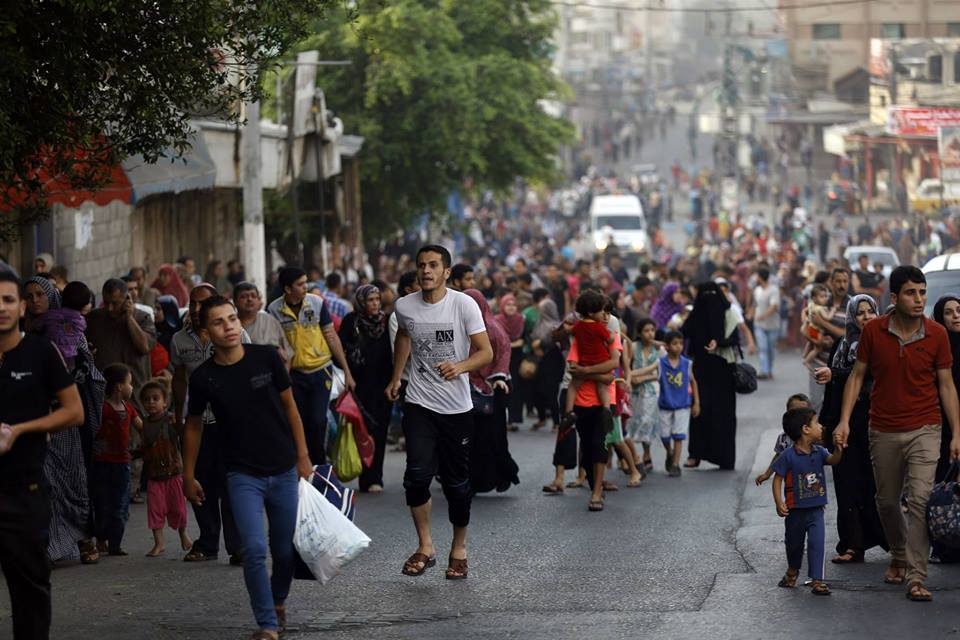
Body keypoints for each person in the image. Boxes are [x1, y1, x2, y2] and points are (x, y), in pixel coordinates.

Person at [183, 296, 314, 640]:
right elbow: (193, 425)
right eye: (218, 322)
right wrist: (187, 473)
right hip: (241, 475)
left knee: (284, 550)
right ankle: (267, 623)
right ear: (206, 332)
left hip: (284, 468)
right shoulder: (203, 378)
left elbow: (290, 408)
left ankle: (279, 599)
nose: (228, 326)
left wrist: (303, 455)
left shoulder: (267, 358)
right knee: (253, 550)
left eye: (232, 319)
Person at [834, 266, 960, 602]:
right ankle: (900, 554)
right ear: (894, 297)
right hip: (883, 428)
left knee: (919, 500)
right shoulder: (874, 332)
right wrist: (844, 421)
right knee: (887, 502)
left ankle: (916, 577)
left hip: (926, 428)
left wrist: (957, 432)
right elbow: (857, 377)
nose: (919, 299)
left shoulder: (937, 334)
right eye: (910, 293)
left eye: (922, 292)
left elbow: (946, 385)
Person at [385, 245, 493, 580]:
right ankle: (425, 546)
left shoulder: (463, 304)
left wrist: (460, 366)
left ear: (446, 272)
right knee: (416, 476)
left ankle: (458, 549)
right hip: (419, 402)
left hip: (457, 409)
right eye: (421, 266)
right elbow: (404, 336)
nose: (426, 271)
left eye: (434, 265)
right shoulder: (404, 306)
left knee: (457, 486)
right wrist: (395, 377)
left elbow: (485, 352)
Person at [0, 272, 84, 640]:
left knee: (30, 592)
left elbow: (73, 411)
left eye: (7, 300)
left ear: (21, 308)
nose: (0, 308)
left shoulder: (39, 352)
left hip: (24, 490)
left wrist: (20, 430)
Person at [810, 295, 888, 564]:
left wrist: (836, 373)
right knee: (846, 484)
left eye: (870, 312)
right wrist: (823, 423)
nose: (866, 317)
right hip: (844, 422)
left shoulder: (882, 343)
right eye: (860, 313)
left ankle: (894, 543)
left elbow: (869, 373)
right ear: (852, 316)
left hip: (874, 419)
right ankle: (852, 545)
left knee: (876, 484)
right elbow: (833, 390)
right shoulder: (841, 345)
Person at [172, 283, 242, 564]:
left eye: (204, 302)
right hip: (196, 423)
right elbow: (178, 379)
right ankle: (207, 541)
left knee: (232, 483)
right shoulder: (179, 340)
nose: (197, 308)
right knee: (200, 481)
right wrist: (178, 413)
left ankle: (238, 546)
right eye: (193, 303)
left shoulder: (233, 333)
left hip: (228, 422)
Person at [268, 267, 356, 464]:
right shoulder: (273, 310)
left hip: (320, 370)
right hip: (293, 375)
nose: (305, 287)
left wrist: (347, 372)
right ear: (287, 289)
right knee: (297, 422)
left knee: (317, 421)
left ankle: (319, 465)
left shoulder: (316, 303)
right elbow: (273, 343)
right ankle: (302, 465)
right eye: (300, 284)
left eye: (305, 282)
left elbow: (331, 337)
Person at [772, 407, 842, 596]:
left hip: (816, 509)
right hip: (795, 511)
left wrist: (839, 448)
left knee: (817, 543)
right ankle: (792, 570)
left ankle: (817, 580)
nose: (821, 426)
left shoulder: (819, 451)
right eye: (817, 423)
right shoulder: (788, 455)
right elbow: (777, 478)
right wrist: (779, 502)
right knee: (794, 545)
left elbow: (834, 460)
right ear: (806, 429)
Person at [338, 284, 394, 493]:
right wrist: (347, 374)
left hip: (383, 385)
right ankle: (365, 475)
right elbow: (339, 350)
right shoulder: (350, 322)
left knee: (380, 431)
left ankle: (375, 477)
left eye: (377, 300)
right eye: (370, 300)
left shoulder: (387, 322)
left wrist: (394, 380)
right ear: (361, 302)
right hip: (359, 385)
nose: (374, 304)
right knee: (362, 430)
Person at [463, 288, 519, 494]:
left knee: (492, 438)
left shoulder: (493, 328)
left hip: (494, 388)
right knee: (471, 438)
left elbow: (503, 353)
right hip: (467, 387)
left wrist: (498, 376)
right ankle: (474, 481)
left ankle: (502, 475)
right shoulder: (461, 326)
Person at [684, 281, 740, 470]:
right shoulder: (695, 315)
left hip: (723, 370)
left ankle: (724, 457)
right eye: (705, 294)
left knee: (723, 415)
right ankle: (695, 454)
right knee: (699, 411)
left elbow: (735, 340)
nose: (710, 300)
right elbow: (684, 332)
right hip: (700, 370)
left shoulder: (729, 314)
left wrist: (720, 342)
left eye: (712, 294)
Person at [92, 363, 142, 556]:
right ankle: (102, 537)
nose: (132, 387)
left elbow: (143, 428)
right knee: (102, 503)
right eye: (130, 383)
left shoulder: (129, 409)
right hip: (102, 463)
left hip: (122, 464)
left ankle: (115, 544)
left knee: (120, 505)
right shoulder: (102, 409)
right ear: (119, 386)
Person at [139, 381, 192, 558]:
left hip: (173, 473)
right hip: (154, 476)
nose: (151, 402)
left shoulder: (171, 419)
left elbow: (181, 432)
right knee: (155, 509)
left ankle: (183, 534)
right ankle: (159, 543)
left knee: (178, 508)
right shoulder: (145, 424)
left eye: (155, 399)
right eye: (147, 400)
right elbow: (145, 445)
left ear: (164, 402)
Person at [85, 278, 157, 394]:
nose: (110, 308)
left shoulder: (142, 318)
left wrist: (129, 318)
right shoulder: (94, 318)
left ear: (127, 299)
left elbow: (145, 346)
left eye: (115, 303)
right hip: (103, 390)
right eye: (106, 302)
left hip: (134, 391)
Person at [560, 290, 615, 432]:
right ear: (591, 313)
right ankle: (606, 409)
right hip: (602, 361)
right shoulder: (599, 327)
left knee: (573, 386)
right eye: (601, 311)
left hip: (584, 362)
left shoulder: (579, 326)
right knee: (603, 387)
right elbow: (610, 339)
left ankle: (569, 412)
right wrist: (612, 336)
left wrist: (566, 327)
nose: (604, 314)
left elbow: (569, 331)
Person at [658, 330, 700, 476]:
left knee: (678, 435)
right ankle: (669, 452)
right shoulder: (660, 363)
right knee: (664, 435)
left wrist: (696, 403)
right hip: (665, 404)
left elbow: (693, 382)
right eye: (675, 343)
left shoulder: (687, 363)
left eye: (681, 343)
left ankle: (675, 464)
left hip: (683, 404)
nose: (678, 347)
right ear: (667, 346)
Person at [627, 318, 663, 472]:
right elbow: (626, 366)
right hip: (634, 391)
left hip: (652, 390)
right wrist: (631, 378)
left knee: (647, 421)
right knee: (632, 421)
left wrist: (642, 378)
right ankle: (629, 456)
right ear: (640, 333)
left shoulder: (660, 350)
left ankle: (646, 454)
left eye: (652, 330)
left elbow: (661, 373)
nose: (650, 334)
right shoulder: (634, 347)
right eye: (646, 331)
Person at [755, 394, 813, 485]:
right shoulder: (783, 438)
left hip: (811, 480)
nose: (798, 416)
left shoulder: (814, 436)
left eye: (803, 412)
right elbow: (778, 456)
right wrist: (767, 474)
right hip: (791, 482)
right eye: (794, 412)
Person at [933, 294, 960, 483]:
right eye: (949, 313)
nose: (956, 316)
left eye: (959, 311)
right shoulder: (938, 347)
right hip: (944, 419)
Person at [234, 282, 291, 366]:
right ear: (235, 302)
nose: (249, 299)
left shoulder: (270, 320)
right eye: (244, 297)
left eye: (253, 296)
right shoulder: (231, 325)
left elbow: (287, 355)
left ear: (258, 300)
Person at [497, 293, 526, 431]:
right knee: (504, 387)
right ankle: (504, 419)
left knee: (516, 388)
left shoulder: (520, 320)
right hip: (502, 359)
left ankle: (514, 419)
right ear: (502, 306)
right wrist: (514, 344)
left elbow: (524, 339)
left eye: (514, 305)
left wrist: (511, 344)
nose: (511, 307)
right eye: (508, 304)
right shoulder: (497, 321)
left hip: (516, 359)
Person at [753, 268, 780, 380]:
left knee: (770, 349)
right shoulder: (757, 290)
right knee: (763, 348)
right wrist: (751, 313)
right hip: (759, 324)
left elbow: (774, 306)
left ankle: (769, 369)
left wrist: (763, 315)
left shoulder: (774, 290)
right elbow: (756, 305)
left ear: (761, 277)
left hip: (772, 325)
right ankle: (764, 371)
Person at [800, 284, 832, 370]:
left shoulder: (811, 304)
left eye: (826, 296)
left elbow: (805, 311)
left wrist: (805, 321)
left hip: (810, 328)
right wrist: (833, 310)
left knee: (810, 342)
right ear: (814, 298)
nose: (825, 298)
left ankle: (804, 354)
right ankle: (807, 360)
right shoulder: (820, 309)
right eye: (822, 296)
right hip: (817, 330)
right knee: (818, 348)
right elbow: (828, 318)